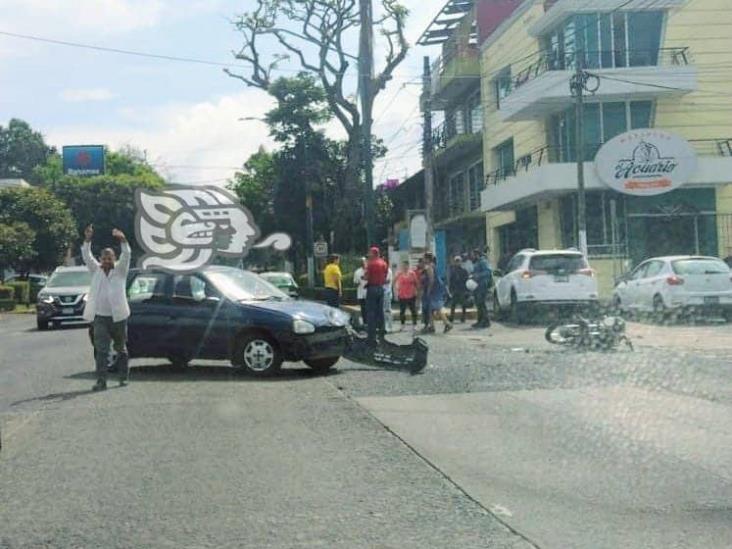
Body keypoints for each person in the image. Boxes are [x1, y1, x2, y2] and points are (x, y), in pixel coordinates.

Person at [81, 225, 131, 391]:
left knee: (120, 349)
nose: (106, 261)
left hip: (119, 317)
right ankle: (101, 381)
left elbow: (127, 254)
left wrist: (122, 239)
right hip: (100, 317)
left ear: (114, 258)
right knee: (101, 350)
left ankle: (123, 377)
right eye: (104, 259)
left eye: (109, 258)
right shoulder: (96, 271)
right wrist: (88, 239)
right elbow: (86, 256)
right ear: (100, 259)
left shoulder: (121, 270)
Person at [422, 252, 453, 334]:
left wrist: (429, 290)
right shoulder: (432, 265)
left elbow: (431, 280)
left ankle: (447, 323)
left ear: (427, 259)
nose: (423, 259)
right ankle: (432, 326)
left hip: (434, 289)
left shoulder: (429, 267)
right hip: (437, 288)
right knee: (431, 308)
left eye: (424, 258)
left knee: (436, 307)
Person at [363, 246, 388, 344]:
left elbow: (367, 276)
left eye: (370, 253)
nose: (369, 254)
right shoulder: (384, 263)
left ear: (373, 253)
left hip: (372, 288)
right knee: (380, 311)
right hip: (380, 288)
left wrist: (364, 277)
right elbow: (385, 276)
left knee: (371, 312)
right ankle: (382, 331)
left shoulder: (371, 264)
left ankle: (371, 336)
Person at [470, 248, 493, 329]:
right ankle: (480, 321)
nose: (471, 257)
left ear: (477, 255)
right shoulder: (477, 262)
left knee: (481, 303)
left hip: (482, 286)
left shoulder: (483, 261)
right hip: (477, 286)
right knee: (478, 304)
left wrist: (477, 275)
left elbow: (488, 272)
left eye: (473, 255)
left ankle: (485, 321)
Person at [394, 261, 418, 329]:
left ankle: (414, 324)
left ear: (408, 266)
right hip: (402, 295)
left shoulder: (412, 273)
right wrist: (396, 290)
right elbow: (394, 282)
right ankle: (402, 324)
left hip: (411, 295)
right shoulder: (399, 273)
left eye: (406, 265)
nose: (404, 267)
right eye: (403, 265)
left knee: (413, 310)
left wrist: (417, 291)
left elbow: (416, 283)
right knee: (402, 311)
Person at [449, 255, 469, 323]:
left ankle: (463, 317)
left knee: (463, 304)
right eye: (456, 261)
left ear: (461, 262)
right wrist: (450, 290)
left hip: (462, 290)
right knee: (453, 304)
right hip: (455, 290)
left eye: (459, 261)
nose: (457, 263)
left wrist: (467, 290)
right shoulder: (453, 271)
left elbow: (466, 281)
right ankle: (451, 317)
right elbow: (451, 281)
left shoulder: (464, 271)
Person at [353, 257, 368, 325]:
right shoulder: (357, 272)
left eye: (364, 261)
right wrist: (358, 283)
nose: (363, 263)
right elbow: (355, 283)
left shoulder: (370, 270)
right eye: (361, 262)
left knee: (370, 309)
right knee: (363, 309)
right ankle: (365, 323)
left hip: (369, 293)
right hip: (361, 293)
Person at [383, 259, 394, 334]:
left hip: (387, 292)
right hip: (381, 292)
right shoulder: (381, 271)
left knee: (388, 310)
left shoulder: (389, 271)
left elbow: (387, 281)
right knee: (382, 310)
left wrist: (378, 280)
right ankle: (383, 326)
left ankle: (390, 326)